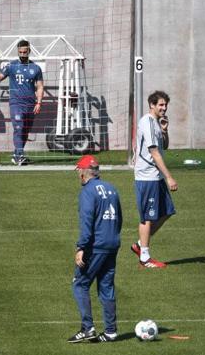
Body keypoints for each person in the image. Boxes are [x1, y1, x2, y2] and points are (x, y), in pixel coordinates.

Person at [68, 155, 122, 343]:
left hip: (96, 246)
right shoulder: (112, 189)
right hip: (112, 243)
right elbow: (119, 219)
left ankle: (87, 328)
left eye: (78, 171)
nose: (78, 175)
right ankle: (111, 331)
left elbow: (87, 222)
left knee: (80, 284)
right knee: (106, 287)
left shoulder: (87, 192)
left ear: (84, 173)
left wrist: (81, 247)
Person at [130, 90, 178, 268]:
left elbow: (163, 145)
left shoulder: (156, 123)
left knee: (166, 212)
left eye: (165, 105)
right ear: (152, 105)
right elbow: (154, 152)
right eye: (161, 105)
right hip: (147, 177)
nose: (164, 108)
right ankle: (144, 257)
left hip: (155, 176)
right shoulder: (147, 122)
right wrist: (169, 177)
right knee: (147, 218)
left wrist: (164, 131)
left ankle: (139, 245)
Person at [0, 39, 44, 166]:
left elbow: (40, 87)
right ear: (18, 51)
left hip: (31, 104)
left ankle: (17, 154)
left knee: (25, 130)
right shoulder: (12, 66)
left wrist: (39, 103)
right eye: (20, 52)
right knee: (18, 127)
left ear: (29, 51)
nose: (23, 55)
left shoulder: (36, 68)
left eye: (25, 52)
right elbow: (0, 76)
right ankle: (20, 155)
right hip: (16, 103)